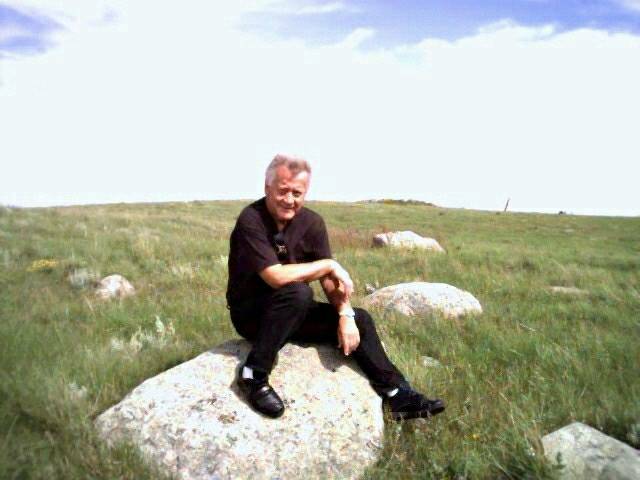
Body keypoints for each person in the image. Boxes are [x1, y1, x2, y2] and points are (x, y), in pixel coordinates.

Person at [226, 154, 445, 420]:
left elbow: (329, 282)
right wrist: (328, 264)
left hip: (293, 313)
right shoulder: (251, 219)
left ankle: (396, 395)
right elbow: (276, 277)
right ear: (267, 187)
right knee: (299, 292)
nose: (289, 200)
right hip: (251, 315)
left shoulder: (312, 223)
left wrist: (345, 314)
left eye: (297, 193)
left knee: (361, 319)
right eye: (282, 191)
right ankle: (254, 374)